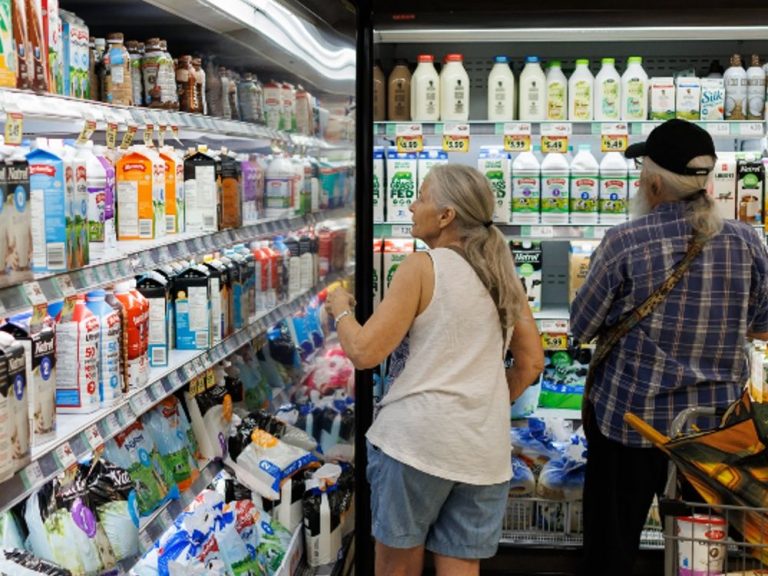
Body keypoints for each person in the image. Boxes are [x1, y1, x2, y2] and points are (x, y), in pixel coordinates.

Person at [325, 163, 544, 576]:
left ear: (446, 216)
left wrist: (339, 310)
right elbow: (531, 362)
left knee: (397, 568)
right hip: (482, 450)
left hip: (417, 445)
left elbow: (364, 352)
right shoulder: (502, 273)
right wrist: (483, 402)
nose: (411, 206)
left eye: (422, 197)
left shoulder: (423, 267)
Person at [571, 119, 768, 576]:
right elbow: (761, 327)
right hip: (715, 432)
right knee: (703, 551)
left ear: (654, 182)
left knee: (612, 545)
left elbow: (582, 327)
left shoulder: (625, 242)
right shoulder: (746, 241)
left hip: (629, 421)